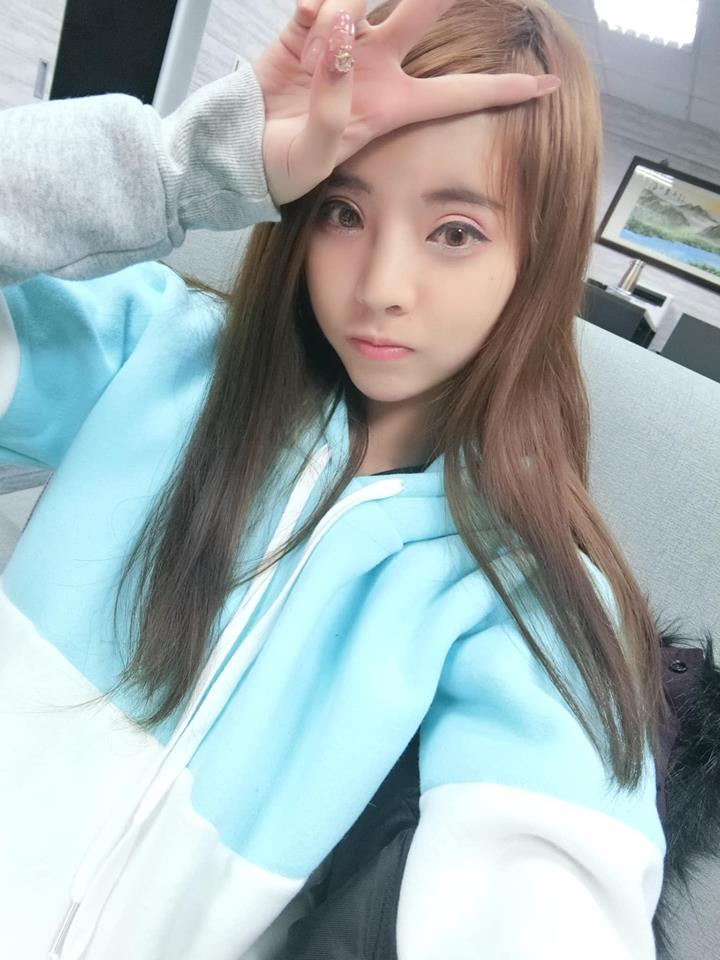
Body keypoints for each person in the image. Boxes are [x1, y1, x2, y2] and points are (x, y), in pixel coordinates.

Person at [0, 0, 672, 957]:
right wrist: (194, 160)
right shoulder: (149, 356)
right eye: (343, 212)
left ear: (540, 258)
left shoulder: (528, 604)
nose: (381, 285)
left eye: (455, 232)